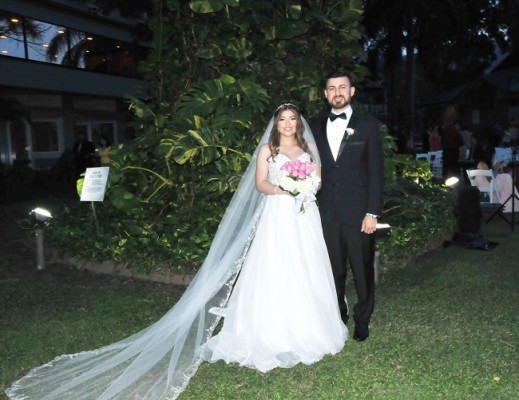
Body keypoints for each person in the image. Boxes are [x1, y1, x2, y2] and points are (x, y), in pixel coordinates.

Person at [5, 104, 347, 400]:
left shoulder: (307, 149)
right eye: (282, 119)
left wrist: (305, 186)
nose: (287, 124)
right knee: (274, 268)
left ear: (298, 124)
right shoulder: (267, 151)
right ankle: (268, 330)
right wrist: (283, 188)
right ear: (276, 124)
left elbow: (316, 180)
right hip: (276, 215)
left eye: (292, 119)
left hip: (303, 219)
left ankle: (310, 328)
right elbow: (260, 183)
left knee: (305, 267)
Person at [310, 69, 384, 342]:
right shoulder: (314, 127)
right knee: (333, 268)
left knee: (362, 268)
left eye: (342, 87)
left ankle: (362, 318)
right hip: (326, 212)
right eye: (331, 88)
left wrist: (372, 212)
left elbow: (376, 172)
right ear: (325, 94)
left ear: (352, 91)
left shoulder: (368, 125)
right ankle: (337, 314)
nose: (337, 92)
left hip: (359, 212)